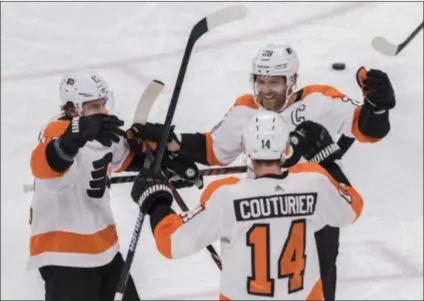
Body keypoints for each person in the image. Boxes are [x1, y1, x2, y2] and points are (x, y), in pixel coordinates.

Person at [129, 43, 395, 300]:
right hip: (265, 213)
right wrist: (170, 141)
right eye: (261, 81)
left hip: (316, 213)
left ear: (291, 81)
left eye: (274, 82)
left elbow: (366, 128)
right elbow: (213, 149)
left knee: (316, 286)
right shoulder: (246, 109)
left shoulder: (318, 100)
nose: (266, 91)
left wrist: (378, 108)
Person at [131, 111, 364, 300]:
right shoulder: (314, 181)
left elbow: (172, 243)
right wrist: (327, 161)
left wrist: (157, 202)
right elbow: (352, 209)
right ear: (286, 150)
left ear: (247, 151)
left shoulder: (227, 196)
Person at [28, 71, 199, 301]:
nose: (103, 112)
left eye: (103, 104)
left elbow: (126, 157)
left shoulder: (102, 134)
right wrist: (73, 137)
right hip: (64, 256)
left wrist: (160, 157)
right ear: (72, 109)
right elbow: (43, 164)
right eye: (94, 106)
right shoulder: (56, 133)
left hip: (104, 251)